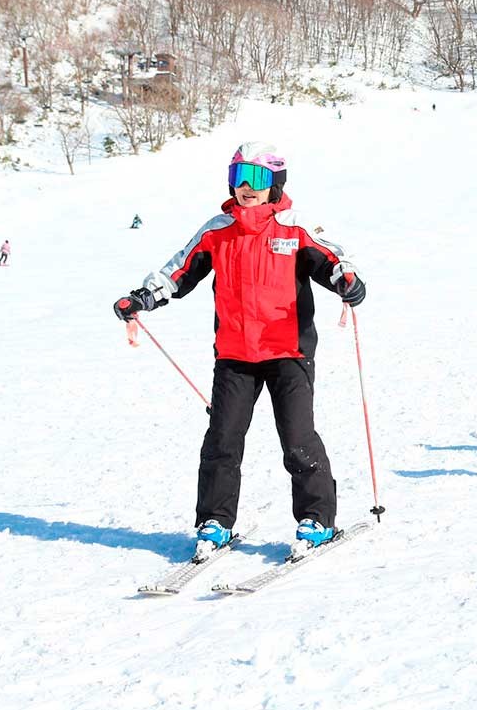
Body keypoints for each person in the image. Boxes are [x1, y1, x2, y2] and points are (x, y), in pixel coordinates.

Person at [112, 142, 367, 559]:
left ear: (275, 184)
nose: (247, 187)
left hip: (288, 350)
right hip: (234, 354)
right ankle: (215, 522)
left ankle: (317, 518)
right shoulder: (218, 229)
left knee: (298, 439)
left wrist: (347, 280)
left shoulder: (293, 227)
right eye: (238, 177)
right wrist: (143, 297)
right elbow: (179, 269)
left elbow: (332, 259)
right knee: (222, 440)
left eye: (258, 178)